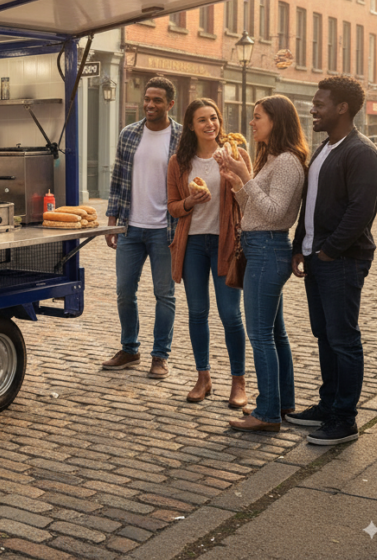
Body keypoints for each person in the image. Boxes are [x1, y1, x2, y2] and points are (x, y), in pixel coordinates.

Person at [288, 77, 377, 445]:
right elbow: (309, 205)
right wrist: (300, 246)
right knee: (324, 335)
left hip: (341, 261)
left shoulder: (362, 153)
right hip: (315, 257)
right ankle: (328, 406)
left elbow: (361, 212)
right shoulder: (324, 147)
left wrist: (329, 251)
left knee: (344, 339)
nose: (313, 109)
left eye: (319, 103)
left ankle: (344, 418)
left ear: (342, 108)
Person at [215, 95, 307, 433]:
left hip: (268, 251)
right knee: (276, 334)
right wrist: (237, 183)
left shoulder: (285, 161)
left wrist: (245, 174)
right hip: (262, 247)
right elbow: (256, 208)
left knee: (260, 335)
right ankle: (282, 404)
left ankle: (267, 413)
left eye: (257, 117)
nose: (251, 123)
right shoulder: (274, 159)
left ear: (276, 121)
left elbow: (274, 213)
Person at [167, 99, 249, 408]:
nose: (210, 124)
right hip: (193, 248)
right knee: (198, 313)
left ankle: (238, 382)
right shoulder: (178, 162)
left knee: (230, 315)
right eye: (202, 120)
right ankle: (203, 377)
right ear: (190, 125)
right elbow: (173, 207)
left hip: (225, 243)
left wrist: (235, 180)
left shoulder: (235, 154)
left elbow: (248, 199)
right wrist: (190, 201)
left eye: (214, 118)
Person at [103, 77, 182, 379]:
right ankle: (129, 348)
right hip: (130, 227)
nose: (150, 104)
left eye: (157, 100)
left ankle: (160, 356)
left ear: (170, 104)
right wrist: (112, 221)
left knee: (165, 294)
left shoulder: (180, 137)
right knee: (124, 291)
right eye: (147, 98)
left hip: (166, 230)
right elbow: (118, 179)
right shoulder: (129, 134)